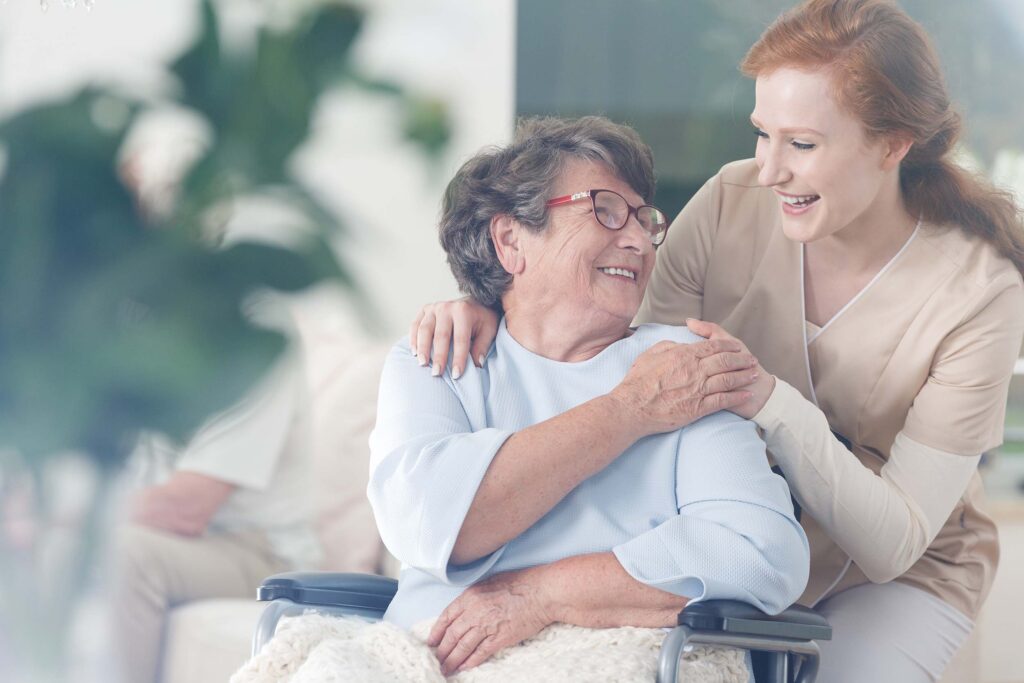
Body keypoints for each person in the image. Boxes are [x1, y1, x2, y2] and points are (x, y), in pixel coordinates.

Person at [407, 1, 1024, 681]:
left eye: (803, 144)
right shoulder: (734, 200)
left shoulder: (980, 290)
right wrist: (496, 299)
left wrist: (768, 399)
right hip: (731, 530)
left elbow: (892, 541)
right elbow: (630, 353)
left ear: (892, 144)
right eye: (763, 133)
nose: (768, 169)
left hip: (893, 570)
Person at [369, 115, 810, 678]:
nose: (636, 239)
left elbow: (762, 552)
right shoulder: (439, 358)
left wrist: (542, 595)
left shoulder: (681, 367)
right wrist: (632, 410)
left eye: (644, 219)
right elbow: (428, 523)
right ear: (510, 241)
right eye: (604, 209)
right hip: (429, 656)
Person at [111, 344, 322, 683]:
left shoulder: (252, 339)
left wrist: (72, 521)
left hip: (264, 554)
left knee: (124, 553)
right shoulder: (137, 337)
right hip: (185, 541)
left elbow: (185, 508)